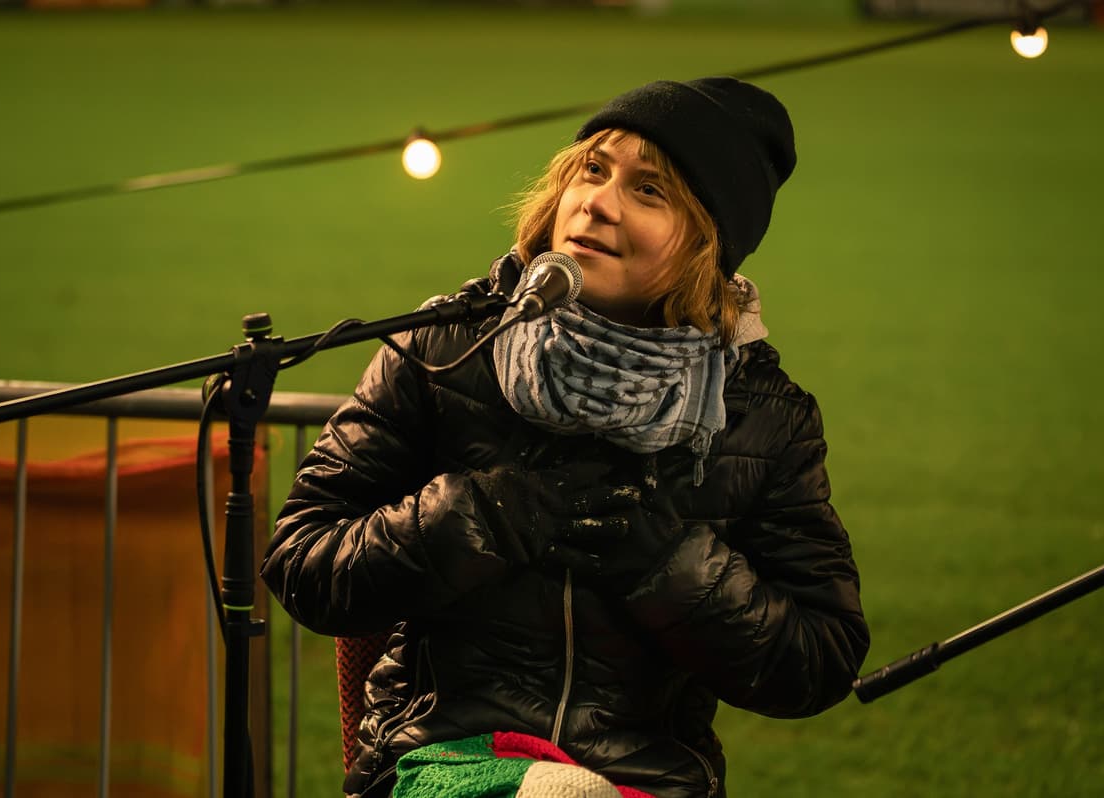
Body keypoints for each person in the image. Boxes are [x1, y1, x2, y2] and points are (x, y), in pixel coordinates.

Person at [261, 76, 870, 798]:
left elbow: (819, 660)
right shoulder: (448, 345)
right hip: (440, 759)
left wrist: (669, 565)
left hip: (650, 780)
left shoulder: (762, 412)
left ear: (709, 244)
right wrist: (474, 517)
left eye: (650, 191)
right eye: (593, 168)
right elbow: (300, 561)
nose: (598, 203)